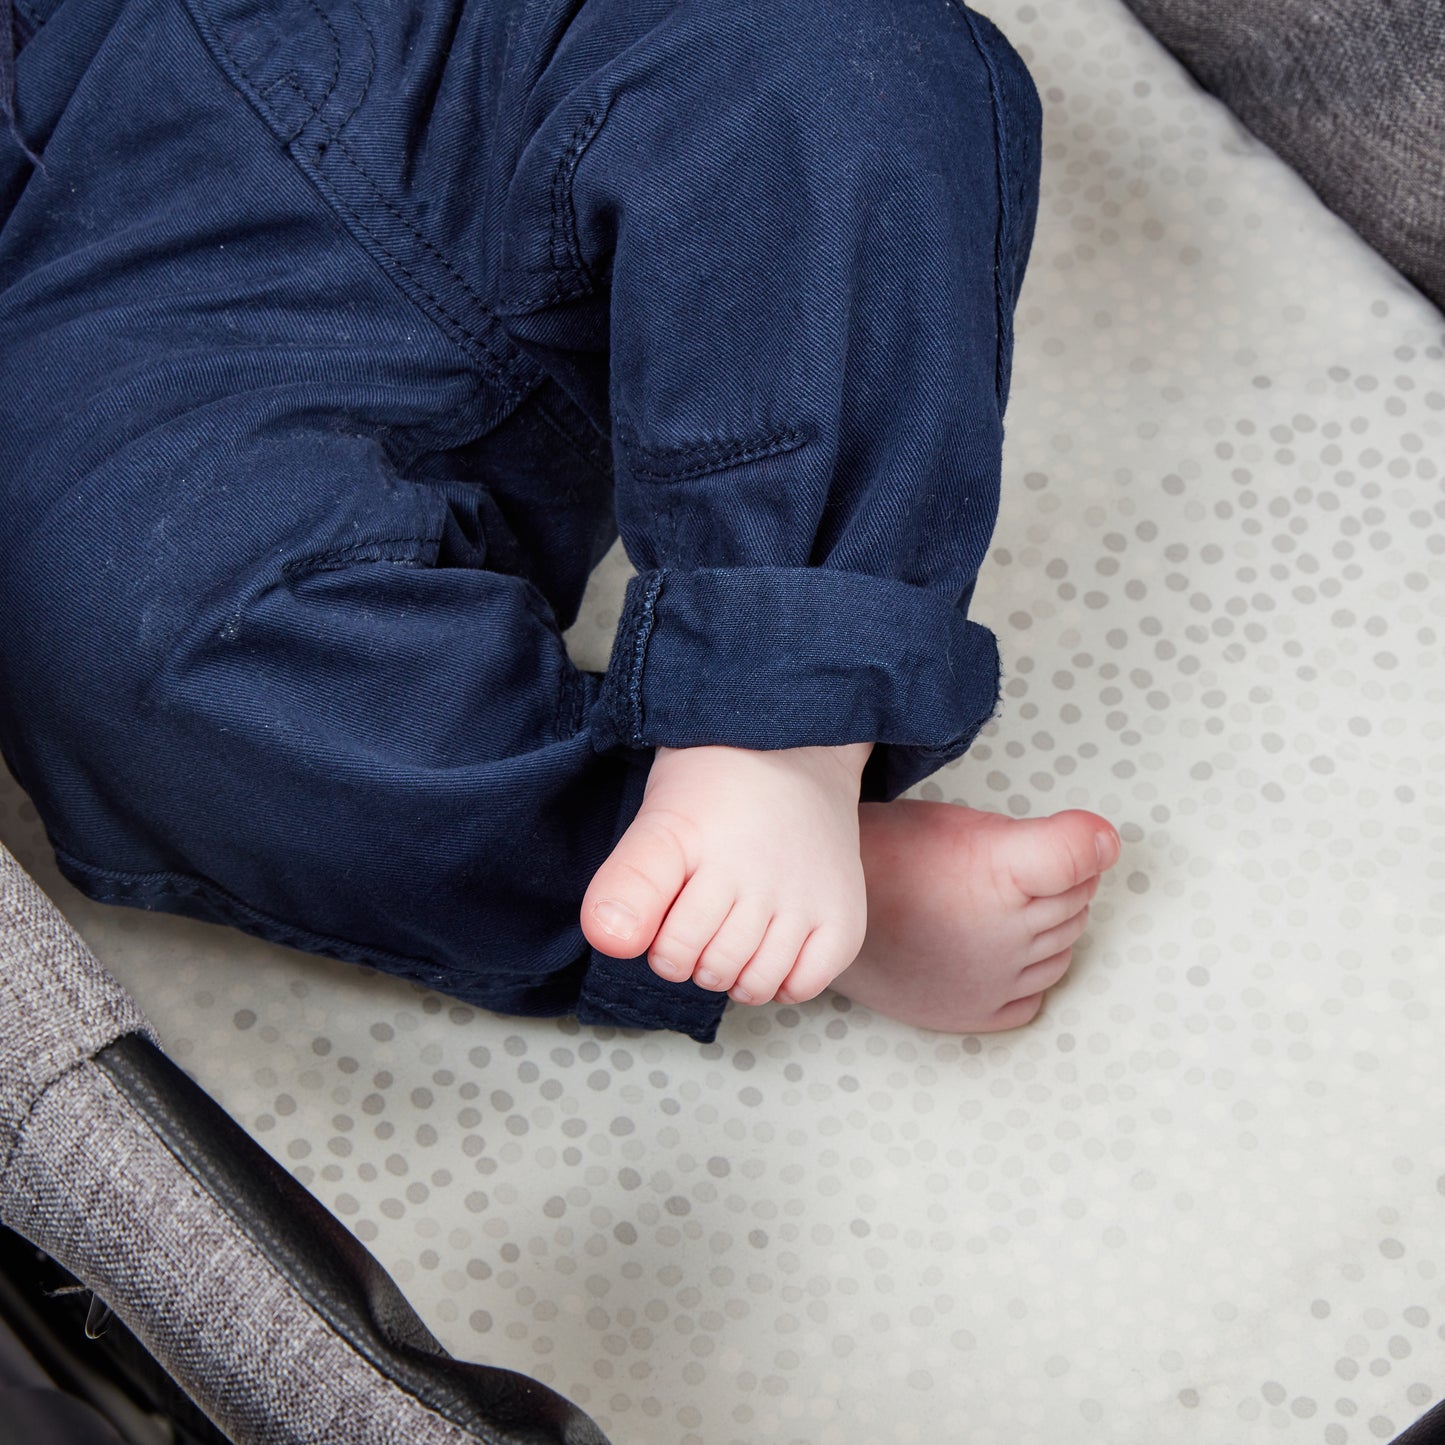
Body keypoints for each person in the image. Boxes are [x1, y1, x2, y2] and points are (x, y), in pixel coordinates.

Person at [0, 0, 1119, 1046]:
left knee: (822, 36)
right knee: (113, 640)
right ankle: (687, 870)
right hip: (74, 307)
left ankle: (778, 723)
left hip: (436, 39)